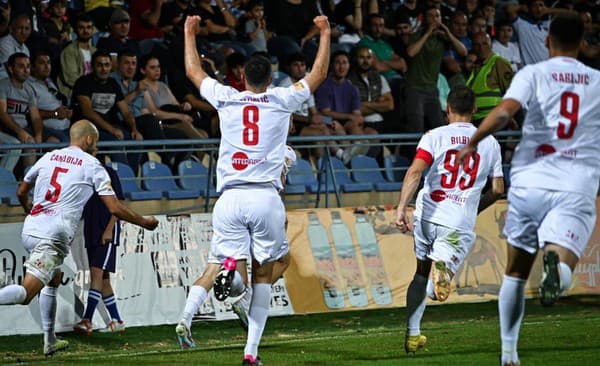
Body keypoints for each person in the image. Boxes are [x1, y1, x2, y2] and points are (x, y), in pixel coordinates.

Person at [175, 14, 330, 365]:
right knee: (265, 274)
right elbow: (317, 75)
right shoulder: (280, 100)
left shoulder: (228, 98)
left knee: (228, 262)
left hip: (229, 198)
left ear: (242, 77)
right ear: (271, 79)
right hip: (264, 196)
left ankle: (231, 278)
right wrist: (324, 32)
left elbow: (193, 72)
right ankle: (250, 351)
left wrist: (188, 32)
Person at [457, 14, 600, 366]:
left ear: (548, 40)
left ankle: (509, 354)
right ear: (583, 42)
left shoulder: (532, 73)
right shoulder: (596, 80)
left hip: (530, 179)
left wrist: (473, 140)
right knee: (564, 249)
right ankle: (559, 271)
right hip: (576, 180)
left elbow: (505, 113)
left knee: (515, 273)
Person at [0, 120, 158, 356]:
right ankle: (49, 339)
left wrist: (29, 208)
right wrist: (145, 222)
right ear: (88, 140)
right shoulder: (93, 165)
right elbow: (114, 207)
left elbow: (22, 190)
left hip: (32, 228)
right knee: (26, 294)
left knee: (54, 279)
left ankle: (49, 341)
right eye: (96, 140)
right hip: (52, 236)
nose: (97, 145)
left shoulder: (50, 156)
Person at [395, 86, 504, 354]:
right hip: (457, 220)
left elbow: (414, 173)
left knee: (419, 274)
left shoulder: (434, 136)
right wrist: (473, 207)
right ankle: (440, 276)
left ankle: (413, 334)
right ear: (475, 110)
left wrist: (401, 208)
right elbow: (499, 189)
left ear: (447, 109)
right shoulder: (489, 143)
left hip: (426, 214)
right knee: (436, 283)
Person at [73, 165, 127, 335]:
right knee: (103, 278)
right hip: (91, 230)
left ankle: (86, 320)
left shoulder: (108, 172)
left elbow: (119, 203)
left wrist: (110, 228)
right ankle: (117, 321)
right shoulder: (80, 174)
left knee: (96, 273)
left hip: (105, 229)